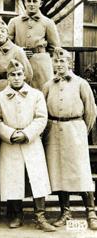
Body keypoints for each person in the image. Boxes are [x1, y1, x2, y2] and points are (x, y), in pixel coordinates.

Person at [0, 59, 55, 232]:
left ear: (25, 75)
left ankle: (40, 216)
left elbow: (41, 118)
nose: (16, 78)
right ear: (7, 77)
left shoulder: (36, 95)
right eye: (12, 75)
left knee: (37, 177)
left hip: (31, 141)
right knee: (12, 177)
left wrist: (27, 133)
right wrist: (10, 134)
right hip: (10, 142)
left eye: (19, 74)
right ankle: (15, 214)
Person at [43, 48, 97, 230]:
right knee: (58, 172)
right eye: (56, 62)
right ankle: (65, 212)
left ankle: (91, 211)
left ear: (70, 63)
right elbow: (43, 110)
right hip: (54, 131)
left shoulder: (81, 84)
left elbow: (91, 111)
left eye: (62, 61)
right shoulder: (48, 85)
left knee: (81, 170)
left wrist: (80, 130)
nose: (59, 65)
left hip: (75, 129)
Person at [8, 0, 60, 90]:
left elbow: (55, 47)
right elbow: (7, 43)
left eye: (35, 1)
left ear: (40, 3)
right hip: (20, 63)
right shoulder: (14, 22)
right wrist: (20, 51)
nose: (32, 4)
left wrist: (41, 56)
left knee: (42, 92)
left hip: (41, 65)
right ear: (25, 2)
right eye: (29, 1)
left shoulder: (48, 22)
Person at [0, 17, 32, 96]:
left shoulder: (17, 51)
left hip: (10, 89)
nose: (0, 34)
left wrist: (19, 89)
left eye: (3, 31)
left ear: (7, 34)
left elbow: (28, 74)